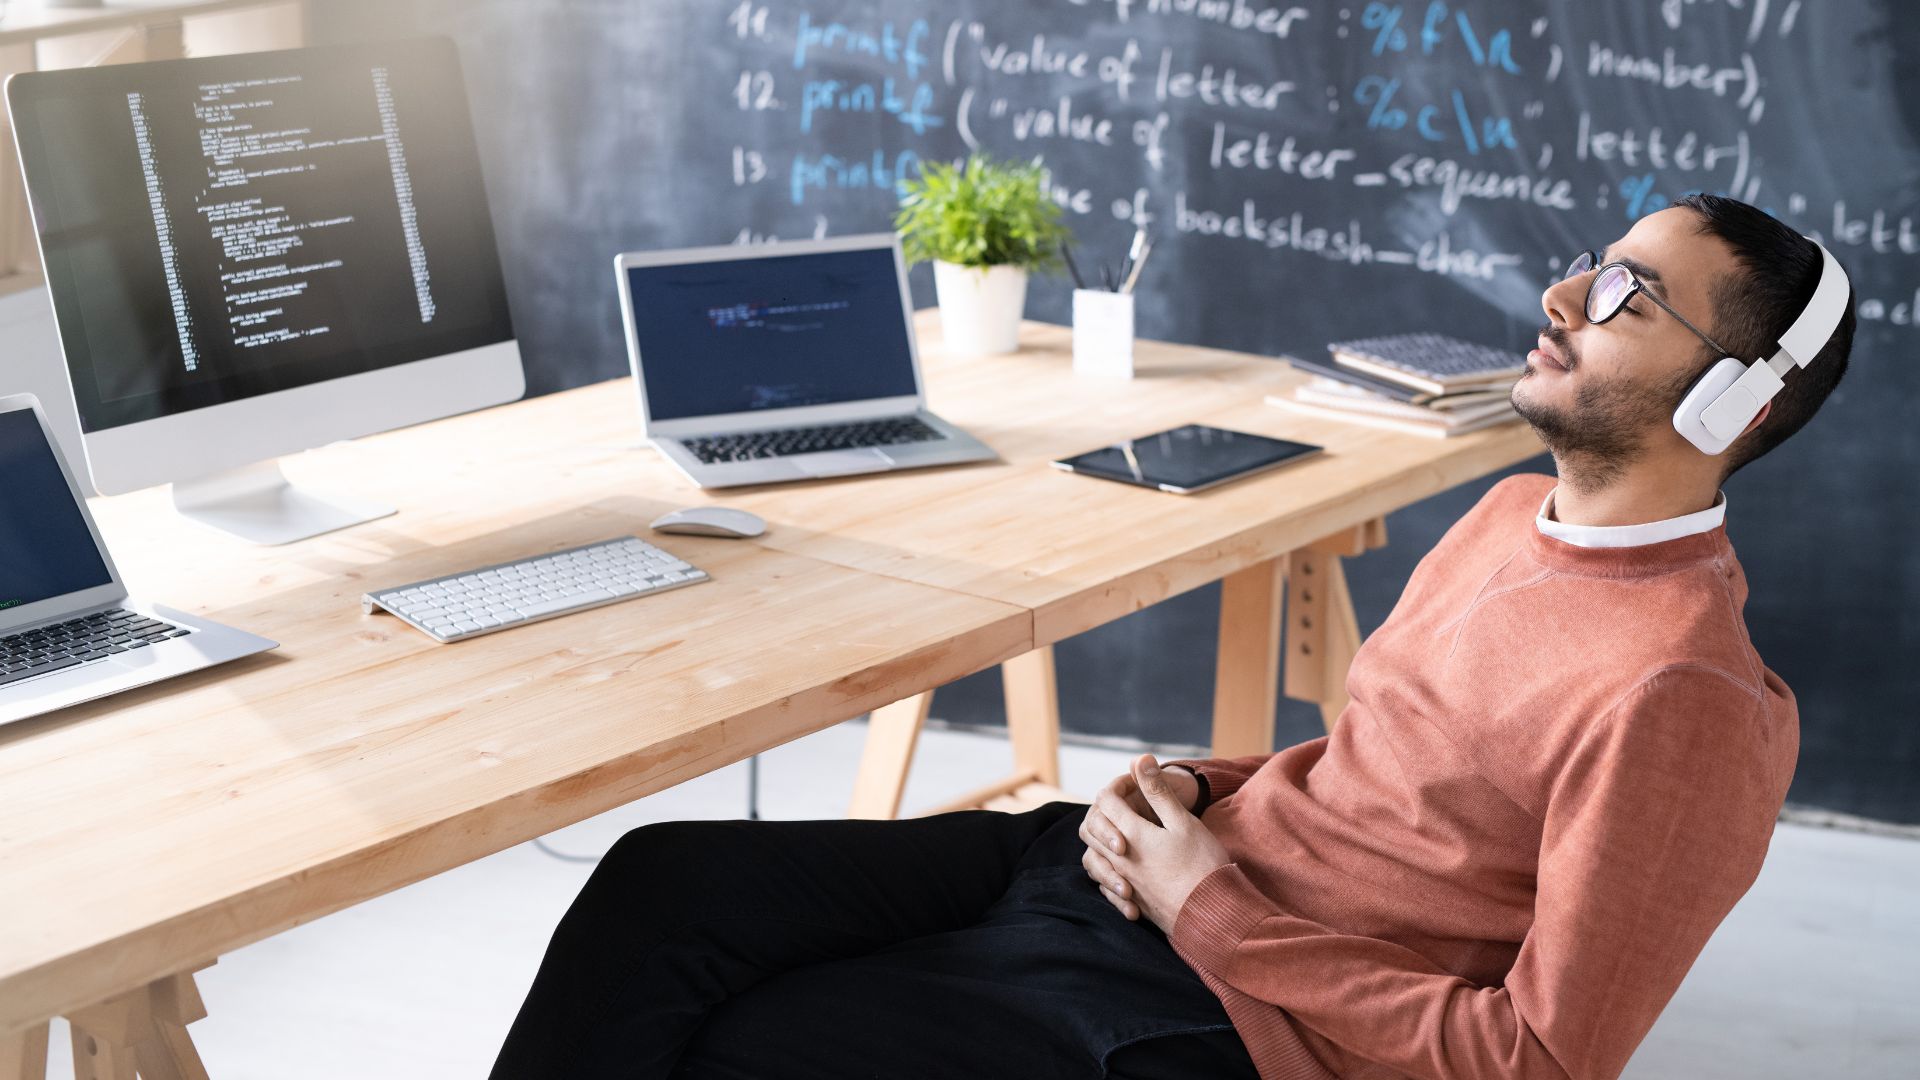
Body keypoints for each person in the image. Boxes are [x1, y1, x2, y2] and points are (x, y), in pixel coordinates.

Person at [490, 193, 1854, 1079]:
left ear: (1732, 404)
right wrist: (1207, 790)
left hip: (1235, 1015)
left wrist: (1217, 911)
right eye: (1589, 268)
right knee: (664, 884)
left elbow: (1542, 1060)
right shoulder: (1511, 508)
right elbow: (1389, 773)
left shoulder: (1685, 694)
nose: (1564, 301)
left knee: (759, 1043)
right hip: (1165, 874)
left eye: (1627, 298)